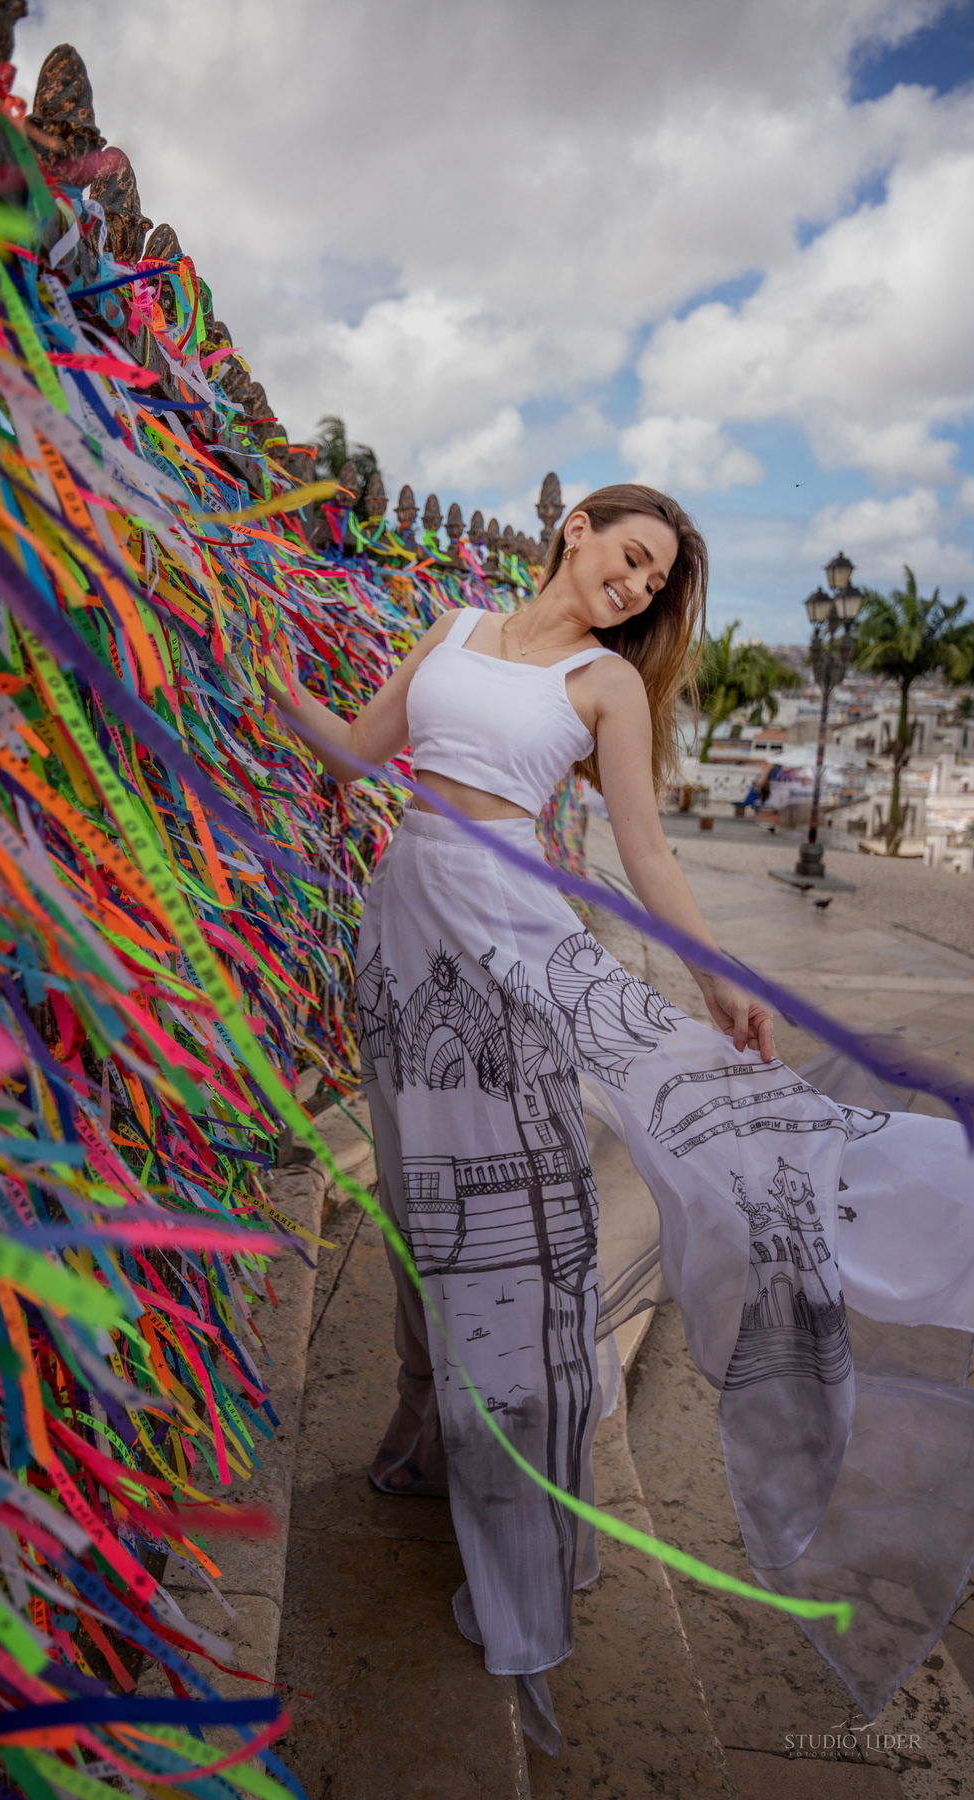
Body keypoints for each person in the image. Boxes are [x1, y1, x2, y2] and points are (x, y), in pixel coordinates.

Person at [268, 484, 974, 1748]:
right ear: (575, 528)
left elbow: (649, 854)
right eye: (633, 556)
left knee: (518, 1243)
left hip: (514, 954)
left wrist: (723, 983)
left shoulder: (605, 688)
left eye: (658, 581)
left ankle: (524, 1532)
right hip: (400, 948)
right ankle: (426, 1437)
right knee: (418, 1220)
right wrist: (254, 668)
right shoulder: (451, 623)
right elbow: (360, 752)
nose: (640, 587)